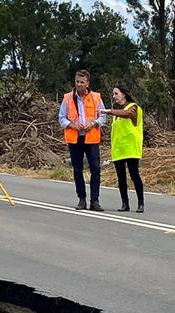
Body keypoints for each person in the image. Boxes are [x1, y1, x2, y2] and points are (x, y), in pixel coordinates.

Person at [58, 70, 107, 211]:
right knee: (77, 169)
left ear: (87, 83)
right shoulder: (67, 98)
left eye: (81, 82)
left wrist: (93, 123)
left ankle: (95, 201)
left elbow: (103, 116)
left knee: (95, 169)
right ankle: (82, 199)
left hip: (91, 138)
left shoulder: (96, 97)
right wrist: (72, 125)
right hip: (75, 138)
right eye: (77, 81)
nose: (79, 84)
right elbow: (61, 118)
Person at [100, 83, 144, 213]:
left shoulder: (133, 108)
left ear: (123, 94)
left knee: (134, 175)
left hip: (131, 149)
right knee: (121, 178)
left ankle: (141, 203)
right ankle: (125, 203)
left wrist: (108, 111)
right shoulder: (116, 114)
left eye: (116, 93)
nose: (114, 96)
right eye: (113, 94)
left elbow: (126, 114)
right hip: (118, 150)